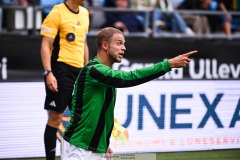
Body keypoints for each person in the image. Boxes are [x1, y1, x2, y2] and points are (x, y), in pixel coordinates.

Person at [61, 27, 197, 160]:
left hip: (95, 147)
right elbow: (129, 78)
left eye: (124, 44)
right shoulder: (94, 70)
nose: (124, 48)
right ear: (105, 45)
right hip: (78, 148)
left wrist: (102, 143)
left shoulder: (102, 73)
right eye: (119, 43)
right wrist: (168, 64)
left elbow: (98, 113)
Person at [40, 0, 89, 159]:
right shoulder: (57, 12)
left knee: (79, 119)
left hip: (79, 71)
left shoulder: (85, 13)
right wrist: (48, 72)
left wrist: (87, 69)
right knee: (56, 118)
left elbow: (84, 43)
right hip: (60, 70)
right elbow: (46, 45)